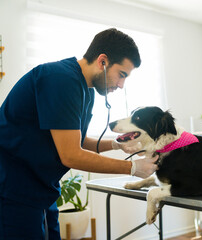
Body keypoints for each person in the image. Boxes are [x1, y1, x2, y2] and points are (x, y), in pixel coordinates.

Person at [0, 28, 158, 240]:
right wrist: (132, 168)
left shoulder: (86, 90)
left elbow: (77, 140)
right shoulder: (60, 79)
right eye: (121, 75)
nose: (121, 85)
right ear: (103, 61)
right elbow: (71, 154)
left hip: (41, 190)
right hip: (12, 189)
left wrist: (115, 144)